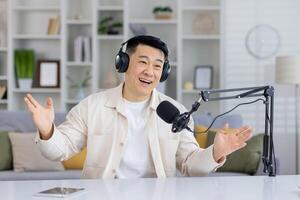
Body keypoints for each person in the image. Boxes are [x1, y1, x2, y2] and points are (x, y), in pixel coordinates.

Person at [24, 35, 252, 179]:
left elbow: (190, 165)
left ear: (163, 73)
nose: (149, 71)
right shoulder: (92, 105)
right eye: (142, 62)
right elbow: (59, 151)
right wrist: (47, 130)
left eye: (157, 66)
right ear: (123, 64)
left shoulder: (174, 111)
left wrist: (216, 153)